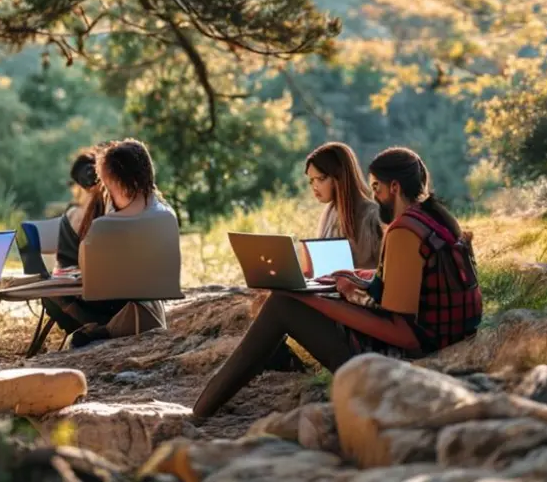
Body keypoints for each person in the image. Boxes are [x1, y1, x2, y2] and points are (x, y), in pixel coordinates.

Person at [192, 146, 481, 418]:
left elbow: (401, 332)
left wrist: (311, 300)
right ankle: (237, 383)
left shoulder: (405, 231)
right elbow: (408, 281)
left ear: (395, 187)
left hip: (404, 355)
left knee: (283, 305)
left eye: (377, 187)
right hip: (439, 337)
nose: (374, 193)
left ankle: (200, 411)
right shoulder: (436, 219)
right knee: (290, 302)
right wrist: (358, 276)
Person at [45, 140, 172, 348]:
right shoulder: (163, 210)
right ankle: (101, 328)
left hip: (121, 300)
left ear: (117, 182)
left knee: (55, 296)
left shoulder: (112, 223)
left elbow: (94, 277)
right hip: (147, 300)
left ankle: (101, 330)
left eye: (106, 184)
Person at [302, 142, 383, 273]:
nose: (315, 187)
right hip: (329, 289)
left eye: (321, 178)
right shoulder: (329, 212)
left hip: (360, 291)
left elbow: (385, 271)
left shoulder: (373, 216)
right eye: (311, 180)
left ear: (340, 176)